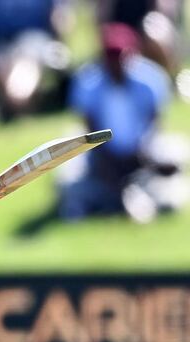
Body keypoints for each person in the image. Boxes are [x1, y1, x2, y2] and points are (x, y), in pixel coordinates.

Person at [58, 23, 173, 220]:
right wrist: (109, 162)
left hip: (142, 155)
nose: (117, 66)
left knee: (172, 158)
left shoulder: (150, 79)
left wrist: (143, 154)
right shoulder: (89, 83)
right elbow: (89, 130)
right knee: (69, 173)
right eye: (112, 60)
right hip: (102, 158)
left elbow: (154, 123)